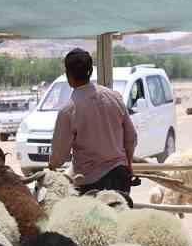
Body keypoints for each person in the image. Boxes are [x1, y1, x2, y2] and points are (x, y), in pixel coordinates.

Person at [46, 48, 137, 202]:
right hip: (121, 178)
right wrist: (128, 165)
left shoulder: (68, 111)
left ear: (68, 75)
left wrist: (51, 167)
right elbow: (131, 137)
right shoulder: (114, 97)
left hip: (92, 185)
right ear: (90, 71)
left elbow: (59, 157)